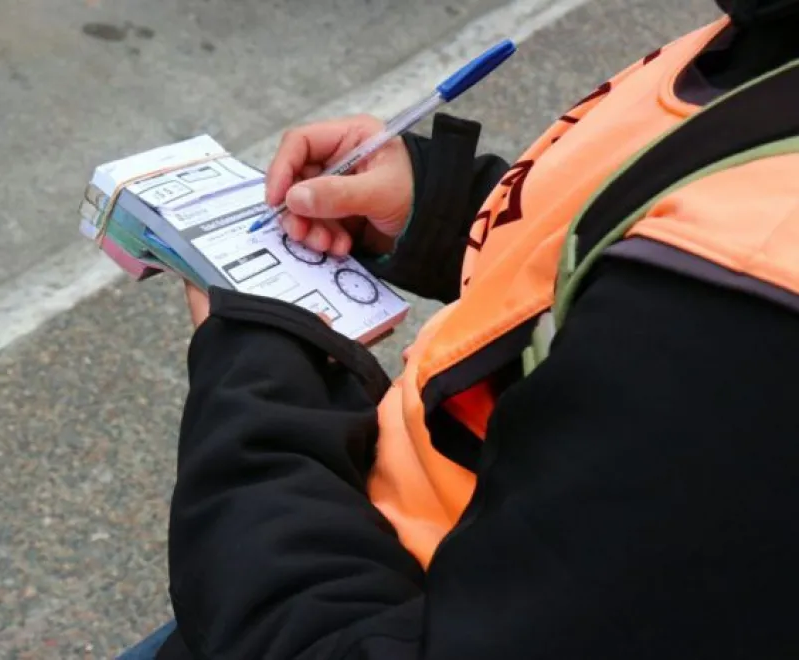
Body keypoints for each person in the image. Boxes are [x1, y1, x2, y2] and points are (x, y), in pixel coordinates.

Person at [122, 0, 799, 657]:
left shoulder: (748, 311)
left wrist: (255, 355)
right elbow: (625, 244)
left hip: (329, 587)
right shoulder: (766, 40)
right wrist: (441, 207)